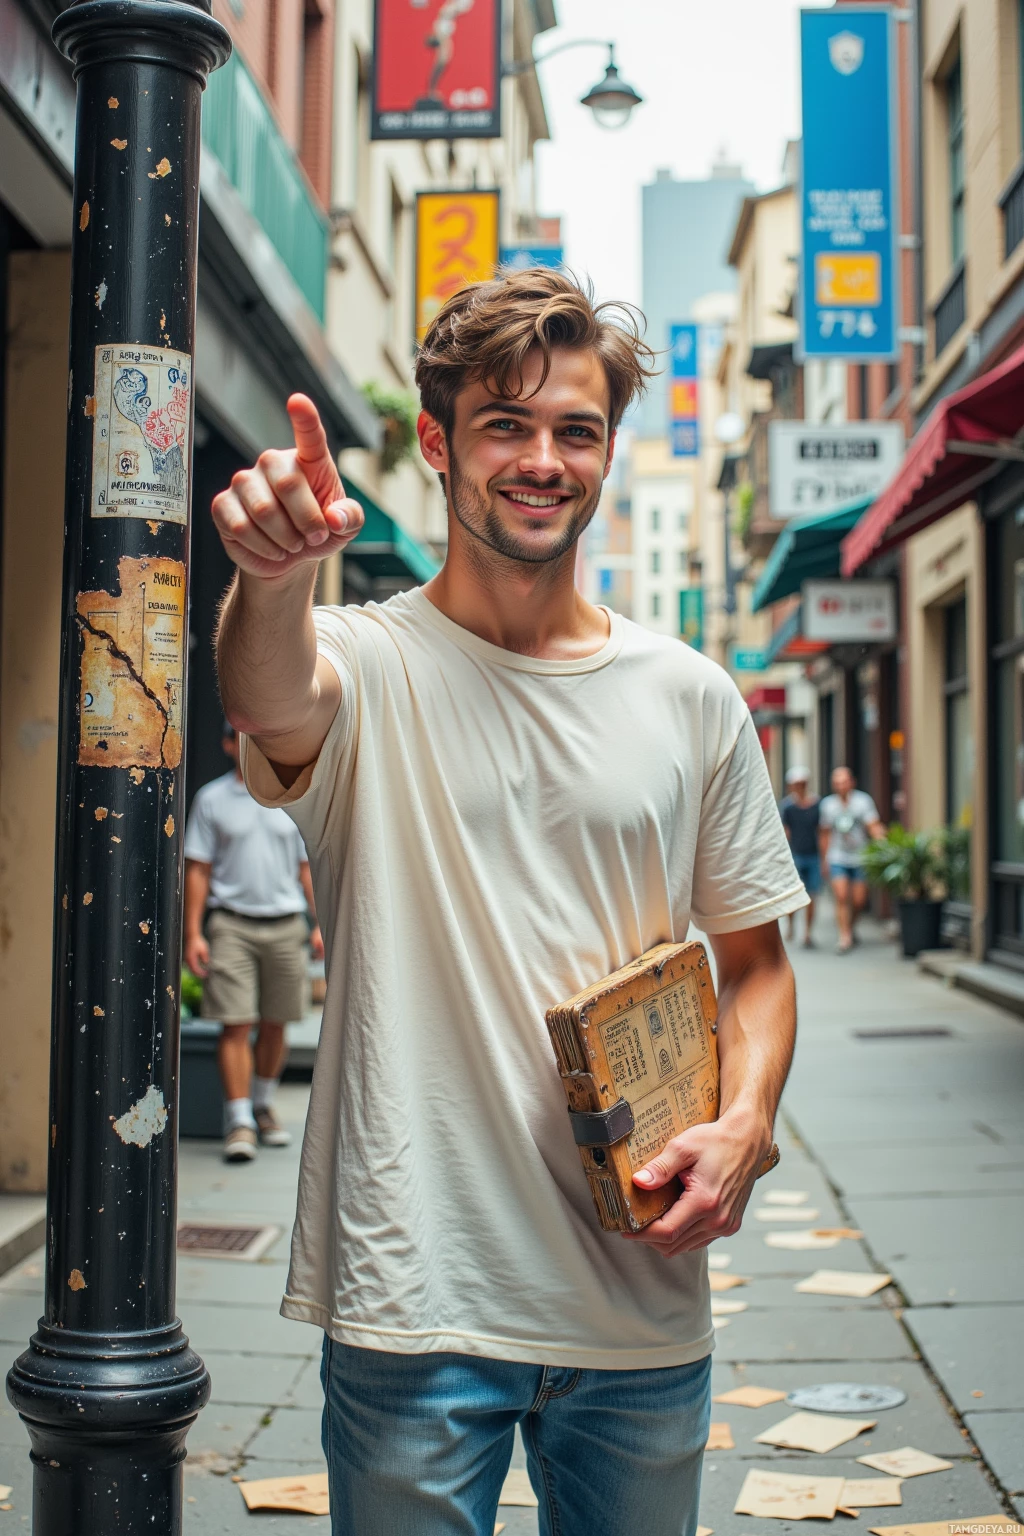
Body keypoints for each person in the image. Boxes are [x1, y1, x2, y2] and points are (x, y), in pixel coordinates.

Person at [211, 268, 808, 1536]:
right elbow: (271, 698)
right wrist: (272, 578)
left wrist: (748, 1122)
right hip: (417, 1302)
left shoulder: (692, 694)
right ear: (438, 443)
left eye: (575, 430)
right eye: (506, 425)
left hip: (641, 1305)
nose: (543, 459)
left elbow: (754, 966)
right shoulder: (366, 664)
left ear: (606, 452)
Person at [183, 721, 323, 1162]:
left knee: (277, 1022)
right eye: (238, 735)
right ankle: (239, 1120)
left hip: (285, 924)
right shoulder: (212, 799)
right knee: (235, 1022)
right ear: (227, 743)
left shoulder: (291, 796)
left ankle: (263, 1104)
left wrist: (320, 923)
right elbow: (198, 869)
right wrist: (193, 932)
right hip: (231, 925)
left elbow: (307, 868)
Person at [818, 765, 886, 954]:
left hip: (860, 857)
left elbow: (873, 825)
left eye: (844, 781)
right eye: (837, 783)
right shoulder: (828, 805)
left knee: (858, 901)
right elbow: (825, 833)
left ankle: (851, 925)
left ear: (852, 782)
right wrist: (824, 859)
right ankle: (845, 936)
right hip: (837, 856)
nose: (841, 786)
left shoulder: (863, 801)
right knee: (841, 897)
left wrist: (882, 841)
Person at [779, 767, 820, 948]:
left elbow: (822, 830)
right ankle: (790, 924)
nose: (799, 787)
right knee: (794, 894)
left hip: (813, 855)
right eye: (796, 784)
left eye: (802, 783)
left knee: (812, 895)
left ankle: (808, 932)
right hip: (795, 855)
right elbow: (785, 831)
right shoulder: (787, 806)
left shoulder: (817, 804)